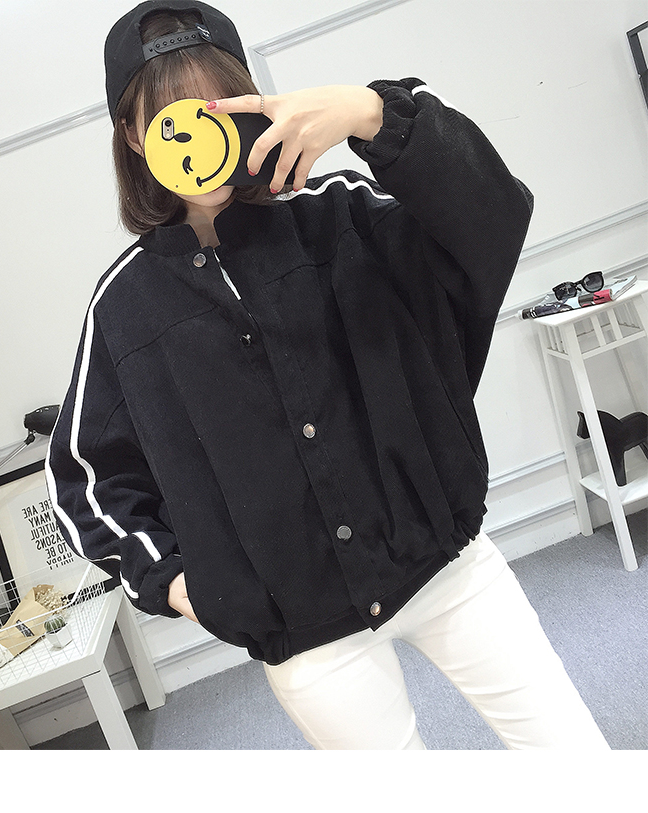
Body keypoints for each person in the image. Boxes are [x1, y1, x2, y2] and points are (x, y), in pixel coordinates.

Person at [46, 0, 610, 750]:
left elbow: (490, 217)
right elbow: (86, 477)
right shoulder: (125, 306)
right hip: (305, 632)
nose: (201, 133)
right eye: (170, 117)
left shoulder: (339, 215)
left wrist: (373, 113)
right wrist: (180, 583)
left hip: (445, 564)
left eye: (218, 105)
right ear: (132, 134)